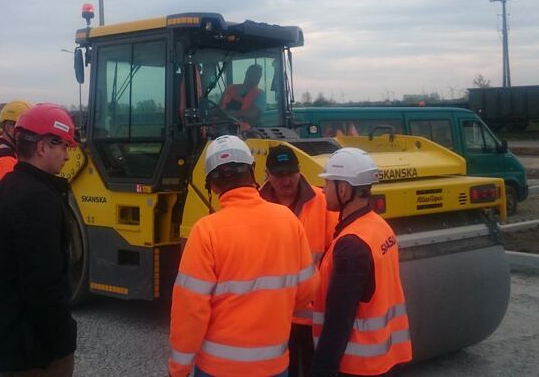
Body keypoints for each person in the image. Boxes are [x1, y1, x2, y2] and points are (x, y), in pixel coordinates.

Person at [169, 135, 319, 377]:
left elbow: (190, 311)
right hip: (274, 366)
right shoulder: (289, 221)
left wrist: (179, 368)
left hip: (218, 369)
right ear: (252, 172)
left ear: (212, 186)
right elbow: (307, 291)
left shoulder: (205, 231)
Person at [0, 104, 79, 376]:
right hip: (23, 350)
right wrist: (64, 341)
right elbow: (43, 285)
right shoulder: (35, 198)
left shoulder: (12, 187)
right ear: (42, 147)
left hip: (2, 342)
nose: (67, 156)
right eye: (64, 146)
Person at [310, 148, 412, 377]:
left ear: (343, 190)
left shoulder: (352, 244)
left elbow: (339, 319)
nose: (323, 190)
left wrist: (321, 370)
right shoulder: (378, 225)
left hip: (357, 365)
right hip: (383, 356)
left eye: (327, 184)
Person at [259, 144, 338, 377]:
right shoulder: (255, 206)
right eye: (279, 175)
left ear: (299, 170)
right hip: (271, 314)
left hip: (312, 315)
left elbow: (336, 249)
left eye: (291, 173)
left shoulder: (322, 201)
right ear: (267, 175)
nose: (286, 181)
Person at [219, 64, 266, 128]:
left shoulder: (260, 94)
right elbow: (219, 106)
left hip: (245, 130)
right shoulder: (230, 88)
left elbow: (252, 113)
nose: (256, 78)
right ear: (246, 73)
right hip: (221, 125)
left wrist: (229, 113)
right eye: (254, 74)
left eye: (259, 76)